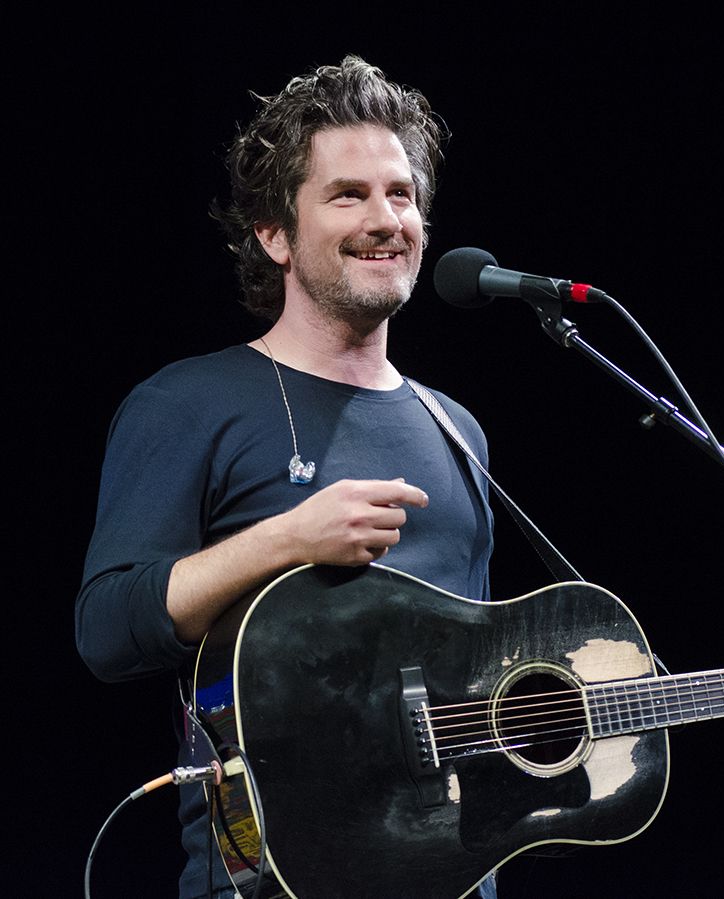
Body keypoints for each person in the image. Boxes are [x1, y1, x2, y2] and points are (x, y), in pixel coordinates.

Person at [76, 56, 498, 899]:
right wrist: (287, 539)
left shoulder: (457, 430)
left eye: (402, 194)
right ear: (273, 233)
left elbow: (478, 677)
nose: (386, 220)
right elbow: (106, 629)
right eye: (348, 195)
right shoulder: (189, 403)